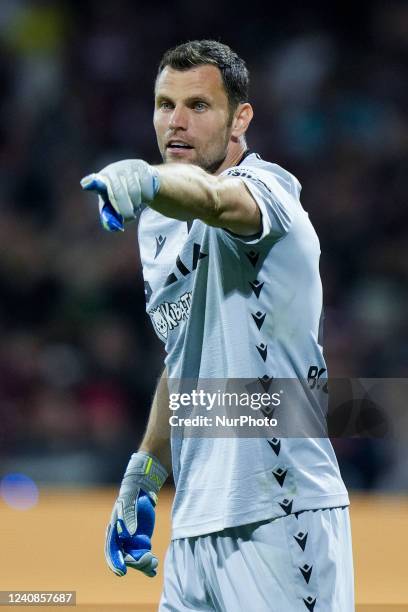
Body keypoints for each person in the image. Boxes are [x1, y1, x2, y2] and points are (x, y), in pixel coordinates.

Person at [81, 40, 354, 612]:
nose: (175, 122)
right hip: (194, 531)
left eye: (198, 106)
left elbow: (212, 198)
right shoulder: (154, 223)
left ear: (240, 119)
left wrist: (150, 179)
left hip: (279, 519)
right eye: (163, 104)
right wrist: (148, 468)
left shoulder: (269, 192)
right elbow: (182, 355)